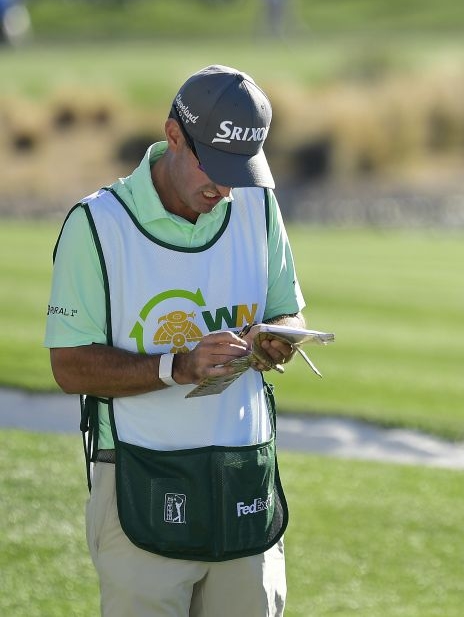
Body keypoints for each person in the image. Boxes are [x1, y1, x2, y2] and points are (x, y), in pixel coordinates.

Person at [45, 65, 307, 617]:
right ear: (172, 136)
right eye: (212, 166)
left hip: (244, 473)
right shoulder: (97, 225)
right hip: (141, 476)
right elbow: (70, 366)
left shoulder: (258, 205)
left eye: (239, 170)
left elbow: (286, 306)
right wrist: (179, 366)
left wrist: (275, 339)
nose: (223, 187)